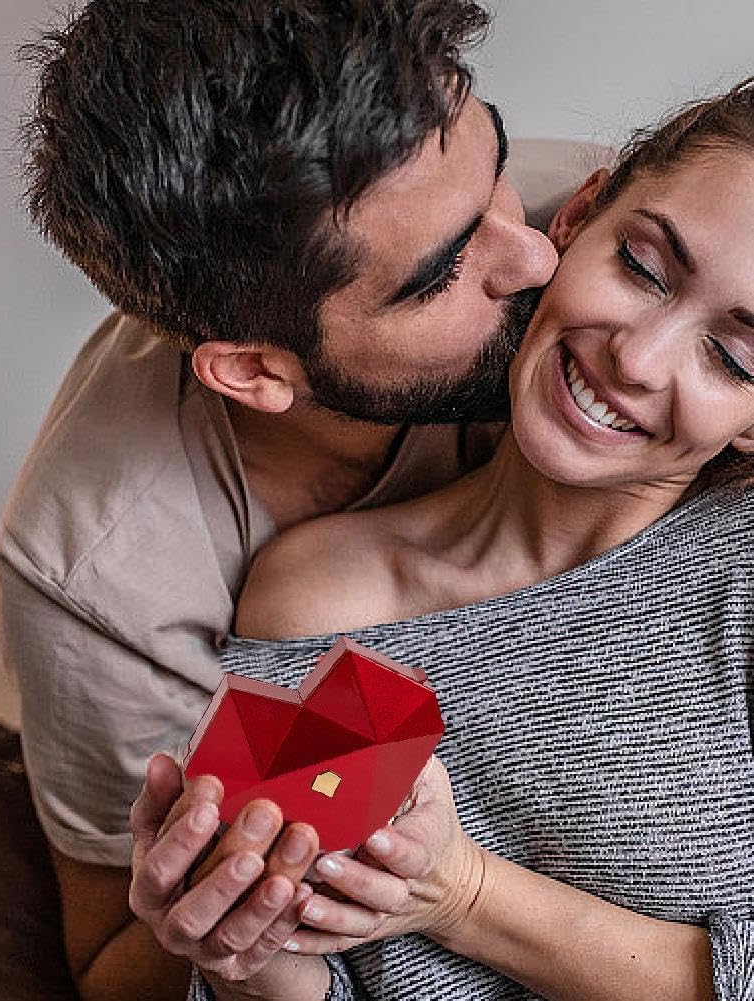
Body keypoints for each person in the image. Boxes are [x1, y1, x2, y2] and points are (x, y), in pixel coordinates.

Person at [130, 82, 754, 1000]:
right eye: (642, 266)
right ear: (580, 215)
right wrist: (241, 946)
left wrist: (461, 892)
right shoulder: (327, 598)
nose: (637, 356)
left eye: (735, 356)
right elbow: (316, 968)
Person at [0, 0, 560, 996]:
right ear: (254, 370)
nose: (535, 256)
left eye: (495, 155)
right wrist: (210, 927)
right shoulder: (94, 576)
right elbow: (105, 968)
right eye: (438, 277)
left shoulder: (585, 226)